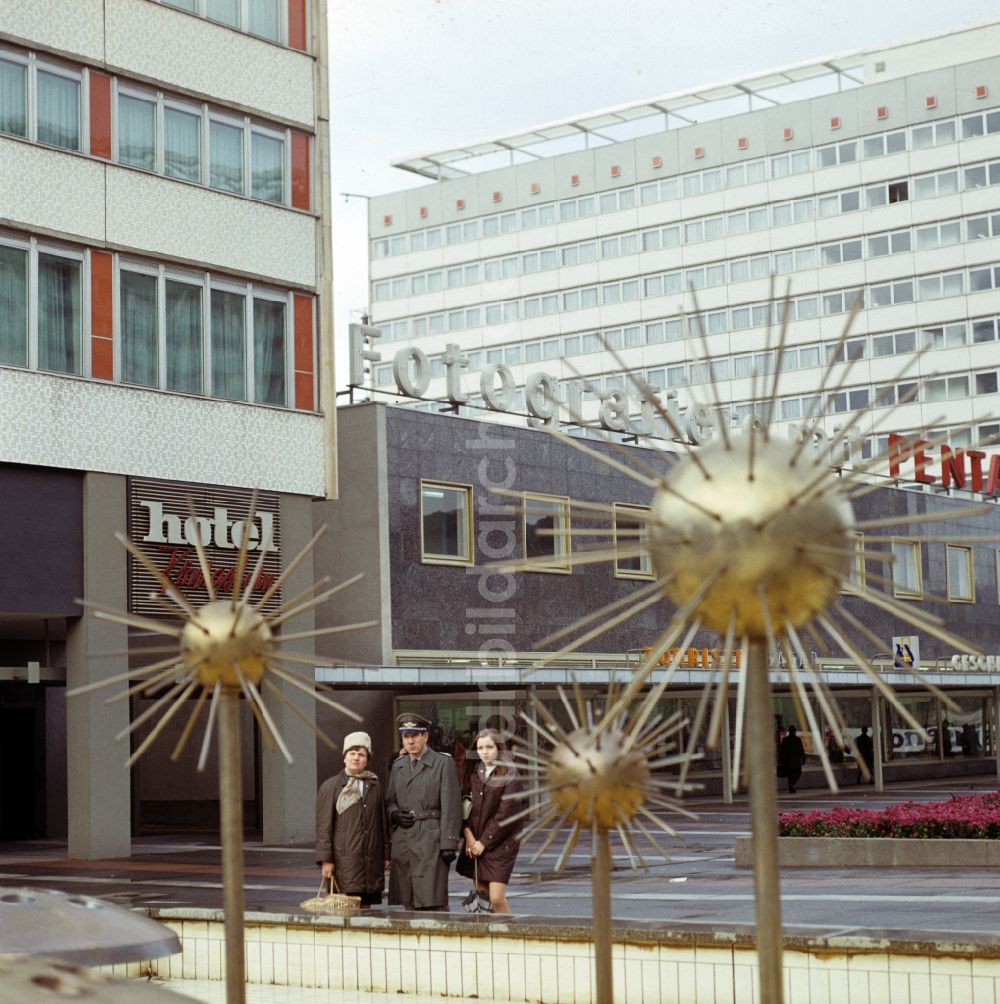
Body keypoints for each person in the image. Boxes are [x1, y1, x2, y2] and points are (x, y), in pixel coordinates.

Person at [385, 713, 462, 910]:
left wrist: (449, 843)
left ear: (425, 737)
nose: (410, 741)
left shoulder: (442, 763)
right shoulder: (398, 766)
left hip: (431, 838)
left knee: (432, 901)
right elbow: (389, 801)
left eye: (415, 735)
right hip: (404, 839)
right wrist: (394, 814)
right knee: (408, 901)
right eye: (406, 736)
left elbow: (451, 806)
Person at [315, 731, 387, 907]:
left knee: (366, 912)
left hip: (370, 865)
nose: (356, 758)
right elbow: (324, 826)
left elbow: (382, 823)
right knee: (343, 912)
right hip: (344, 865)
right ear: (344, 757)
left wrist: (386, 854)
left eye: (361, 754)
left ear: (367, 759)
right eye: (352, 753)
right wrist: (326, 860)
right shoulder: (331, 787)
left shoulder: (375, 785)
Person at [458, 728, 524, 914]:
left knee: (496, 898)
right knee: (482, 898)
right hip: (476, 843)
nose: (485, 752)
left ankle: (509, 938)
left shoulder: (510, 774)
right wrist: (468, 836)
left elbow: (506, 815)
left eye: (489, 747)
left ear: (499, 749)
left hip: (501, 845)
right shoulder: (473, 773)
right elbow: (464, 806)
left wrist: (483, 842)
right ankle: (489, 938)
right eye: (480, 748)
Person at [777, 724, 806, 794]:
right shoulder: (797, 740)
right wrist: (803, 758)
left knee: (790, 775)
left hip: (787, 761)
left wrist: (780, 760)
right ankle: (792, 785)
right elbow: (801, 750)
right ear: (794, 732)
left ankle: (791, 787)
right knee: (798, 773)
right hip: (796, 761)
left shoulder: (785, 740)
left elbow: (781, 751)